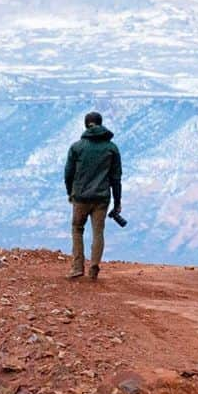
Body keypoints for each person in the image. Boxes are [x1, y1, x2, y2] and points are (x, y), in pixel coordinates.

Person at [64, 111, 122, 281]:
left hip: (80, 197)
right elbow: (116, 178)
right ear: (100, 123)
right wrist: (117, 202)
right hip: (102, 198)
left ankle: (77, 267)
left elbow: (68, 174)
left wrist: (70, 193)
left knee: (77, 229)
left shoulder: (77, 147)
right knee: (98, 232)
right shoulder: (111, 148)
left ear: (86, 125)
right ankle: (94, 265)